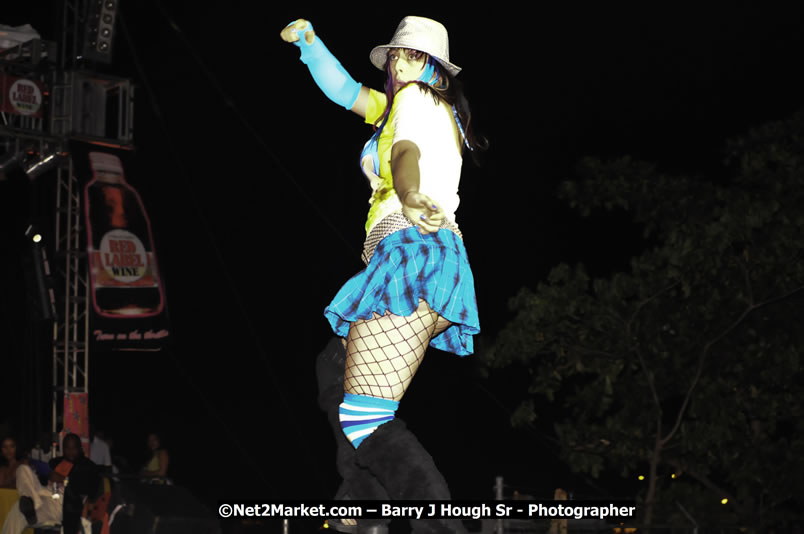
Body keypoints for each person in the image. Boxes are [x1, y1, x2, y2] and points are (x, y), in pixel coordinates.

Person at [283, 15, 485, 533]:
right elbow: (347, 91)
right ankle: (364, 502)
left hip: (414, 253)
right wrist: (310, 44)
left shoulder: (417, 102)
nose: (400, 64)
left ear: (435, 70)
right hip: (412, 258)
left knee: (364, 416)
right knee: (333, 368)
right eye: (396, 55)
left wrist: (412, 190)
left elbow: (405, 151)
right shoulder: (401, 106)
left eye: (411, 56)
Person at [1, 433, 98, 534]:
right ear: (62, 449)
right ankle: (30, 501)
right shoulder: (58, 462)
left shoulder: (87, 466)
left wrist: (64, 479)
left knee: (18, 511)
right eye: (67, 448)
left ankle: (31, 504)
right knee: (22, 469)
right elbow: (42, 474)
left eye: (74, 448)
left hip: (61, 504)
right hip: (45, 496)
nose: (70, 452)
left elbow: (87, 489)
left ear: (80, 449)